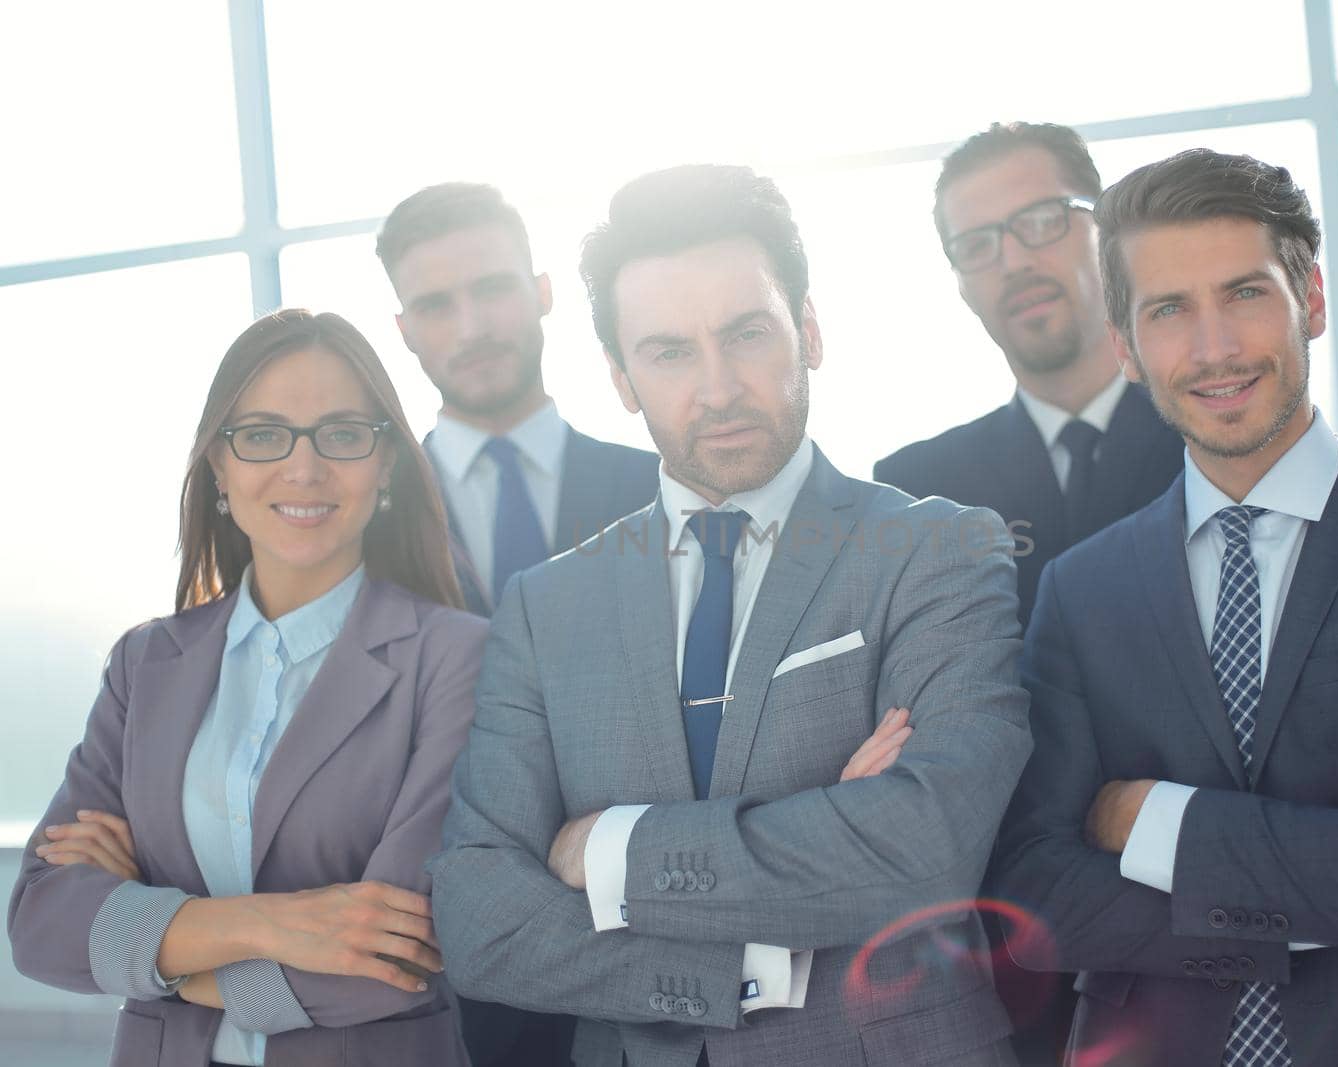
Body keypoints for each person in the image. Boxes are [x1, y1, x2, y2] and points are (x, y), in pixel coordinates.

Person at [429, 164, 1033, 1067]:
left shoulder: (938, 549)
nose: (716, 387)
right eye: (669, 351)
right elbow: (481, 922)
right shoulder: (546, 606)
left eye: (747, 333)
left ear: (811, 331)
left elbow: (926, 849)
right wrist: (749, 952)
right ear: (623, 379)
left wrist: (613, 851)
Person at [989, 150, 1338, 1066]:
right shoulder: (1082, 587)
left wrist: (1150, 819)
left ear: (1312, 301)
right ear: (1126, 345)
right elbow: (1040, 900)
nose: (1214, 348)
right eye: (1169, 310)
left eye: (1245, 293)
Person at [8, 310, 486, 1067]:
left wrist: (157, 946)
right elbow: (40, 921)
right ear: (220, 468)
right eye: (263, 434)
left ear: (386, 462)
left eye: (342, 433)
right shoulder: (146, 661)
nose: (304, 468)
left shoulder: (457, 657)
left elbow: (403, 954)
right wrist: (272, 923)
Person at [874, 122, 1183, 628]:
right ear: (960, 285)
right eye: (976, 245)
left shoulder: (1214, 442)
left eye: (1041, 221)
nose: (1013, 261)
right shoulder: (916, 494)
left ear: (1109, 234)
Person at [378, 182, 659, 620]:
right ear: (405, 331)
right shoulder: (373, 514)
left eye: (492, 289)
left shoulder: (659, 490)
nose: (472, 329)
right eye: (435, 306)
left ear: (543, 293)